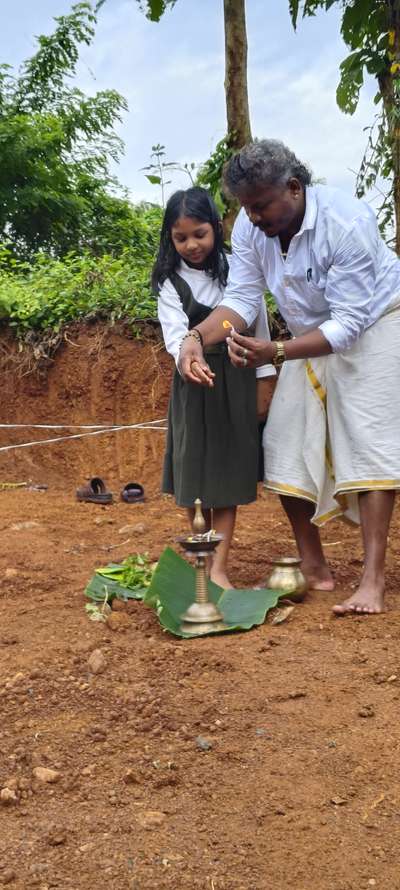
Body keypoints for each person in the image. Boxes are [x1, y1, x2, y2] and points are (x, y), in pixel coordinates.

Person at [178, 140, 400, 615]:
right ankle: (315, 567)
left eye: (260, 205)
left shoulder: (346, 223)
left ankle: (372, 581)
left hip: (378, 321)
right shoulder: (251, 231)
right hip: (306, 335)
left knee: (369, 440)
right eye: (245, 207)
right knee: (281, 439)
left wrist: (277, 351)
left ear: (294, 188)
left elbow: (349, 323)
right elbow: (240, 300)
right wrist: (196, 337)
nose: (252, 217)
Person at [154, 186, 276, 589]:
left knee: (225, 478)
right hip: (194, 384)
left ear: (216, 228)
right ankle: (201, 560)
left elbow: (257, 324)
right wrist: (190, 359)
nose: (191, 245)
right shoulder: (169, 282)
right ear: (170, 238)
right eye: (181, 237)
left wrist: (263, 379)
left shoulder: (237, 269)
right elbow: (176, 338)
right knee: (195, 478)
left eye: (200, 234)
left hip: (237, 379)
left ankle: (219, 569)